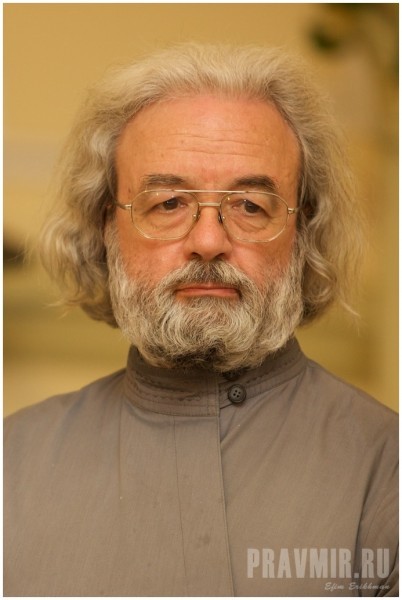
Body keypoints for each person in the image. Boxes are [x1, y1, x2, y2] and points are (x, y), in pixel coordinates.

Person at [4, 43, 398, 597]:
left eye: (250, 206)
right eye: (167, 203)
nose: (209, 240)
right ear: (106, 227)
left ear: (302, 233)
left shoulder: (386, 474)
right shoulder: (13, 465)